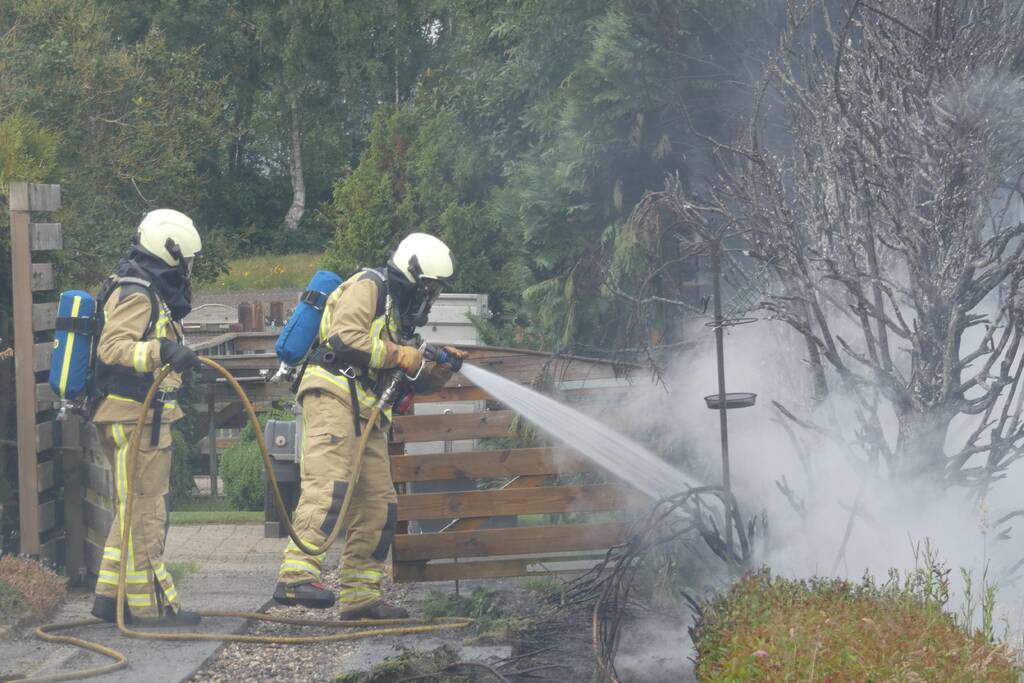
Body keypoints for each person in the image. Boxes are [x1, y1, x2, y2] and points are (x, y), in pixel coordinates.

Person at [273, 233, 466, 619]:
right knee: (329, 486)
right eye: (428, 287)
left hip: (368, 413)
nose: (430, 296)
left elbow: (404, 376)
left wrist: (437, 372)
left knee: (379, 504)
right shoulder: (369, 285)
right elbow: (346, 338)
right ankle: (295, 576)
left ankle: (361, 596)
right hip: (332, 394)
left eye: (435, 290)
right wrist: (402, 353)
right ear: (412, 274)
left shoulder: (399, 317)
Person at [90, 209, 203, 625]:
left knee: (131, 508)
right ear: (169, 251)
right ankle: (148, 605)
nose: (187, 269)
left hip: (135, 416)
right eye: (185, 260)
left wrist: (176, 356)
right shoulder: (139, 292)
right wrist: (161, 351)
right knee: (146, 509)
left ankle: (109, 597)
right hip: (135, 418)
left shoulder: (142, 287)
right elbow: (113, 347)